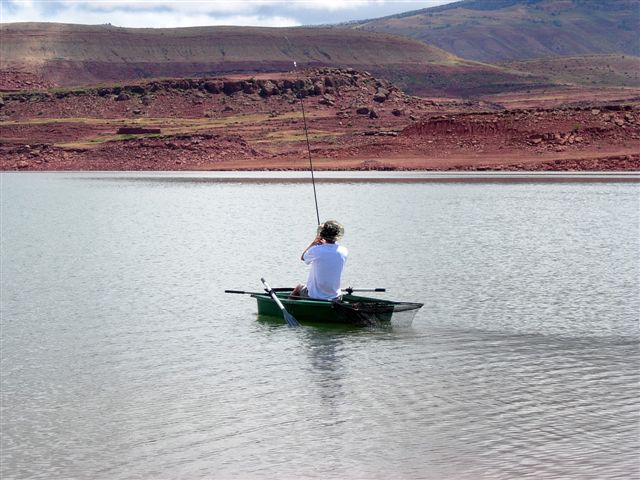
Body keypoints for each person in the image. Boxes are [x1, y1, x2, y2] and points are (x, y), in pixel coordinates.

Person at [291, 220, 348, 300]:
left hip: (314, 296)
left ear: (322, 235)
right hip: (335, 297)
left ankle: (288, 309)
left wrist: (314, 243)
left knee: (299, 287)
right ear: (337, 236)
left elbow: (303, 257)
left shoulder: (316, 250)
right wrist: (324, 245)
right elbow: (331, 251)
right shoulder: (344, 251)